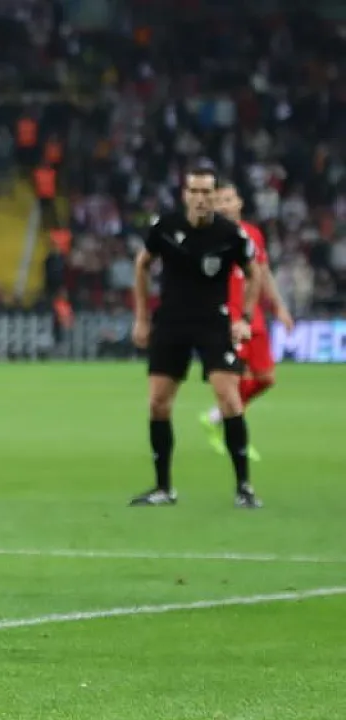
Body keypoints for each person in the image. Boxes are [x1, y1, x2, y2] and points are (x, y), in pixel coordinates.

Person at [130, 165, 262, 509]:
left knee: (229, 398)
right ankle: (163, 488)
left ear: (215, 196)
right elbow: (142, 264)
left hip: (213, 322)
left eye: (207, 192)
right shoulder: (165, 227)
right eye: (195, 191)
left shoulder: (230, 234)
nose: (201, 198)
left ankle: (244, 487)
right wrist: (142, 318)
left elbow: (254, 272)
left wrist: (245, 318)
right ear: (185, 194)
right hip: (171, 322)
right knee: (158, 403)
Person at [200, 180, 295, 459]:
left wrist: (279, 307)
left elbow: (263, 273)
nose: (225, 205)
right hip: (228, 319)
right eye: (219, 201)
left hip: (253, 317)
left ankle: (216, 417)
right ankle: (238, 442)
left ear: (239, 202)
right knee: (233, 381)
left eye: (229, 199)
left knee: (266, 378)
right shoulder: (208, 238)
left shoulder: (253, 234)